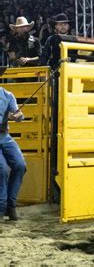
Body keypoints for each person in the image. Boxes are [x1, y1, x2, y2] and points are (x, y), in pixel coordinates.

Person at [0, 85, 27, 221]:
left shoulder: (8, 95)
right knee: (2, 170)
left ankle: (10, 205)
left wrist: (17, 116)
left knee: (20, 165)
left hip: (4, 136)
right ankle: (2, 207)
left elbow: (19, 114)